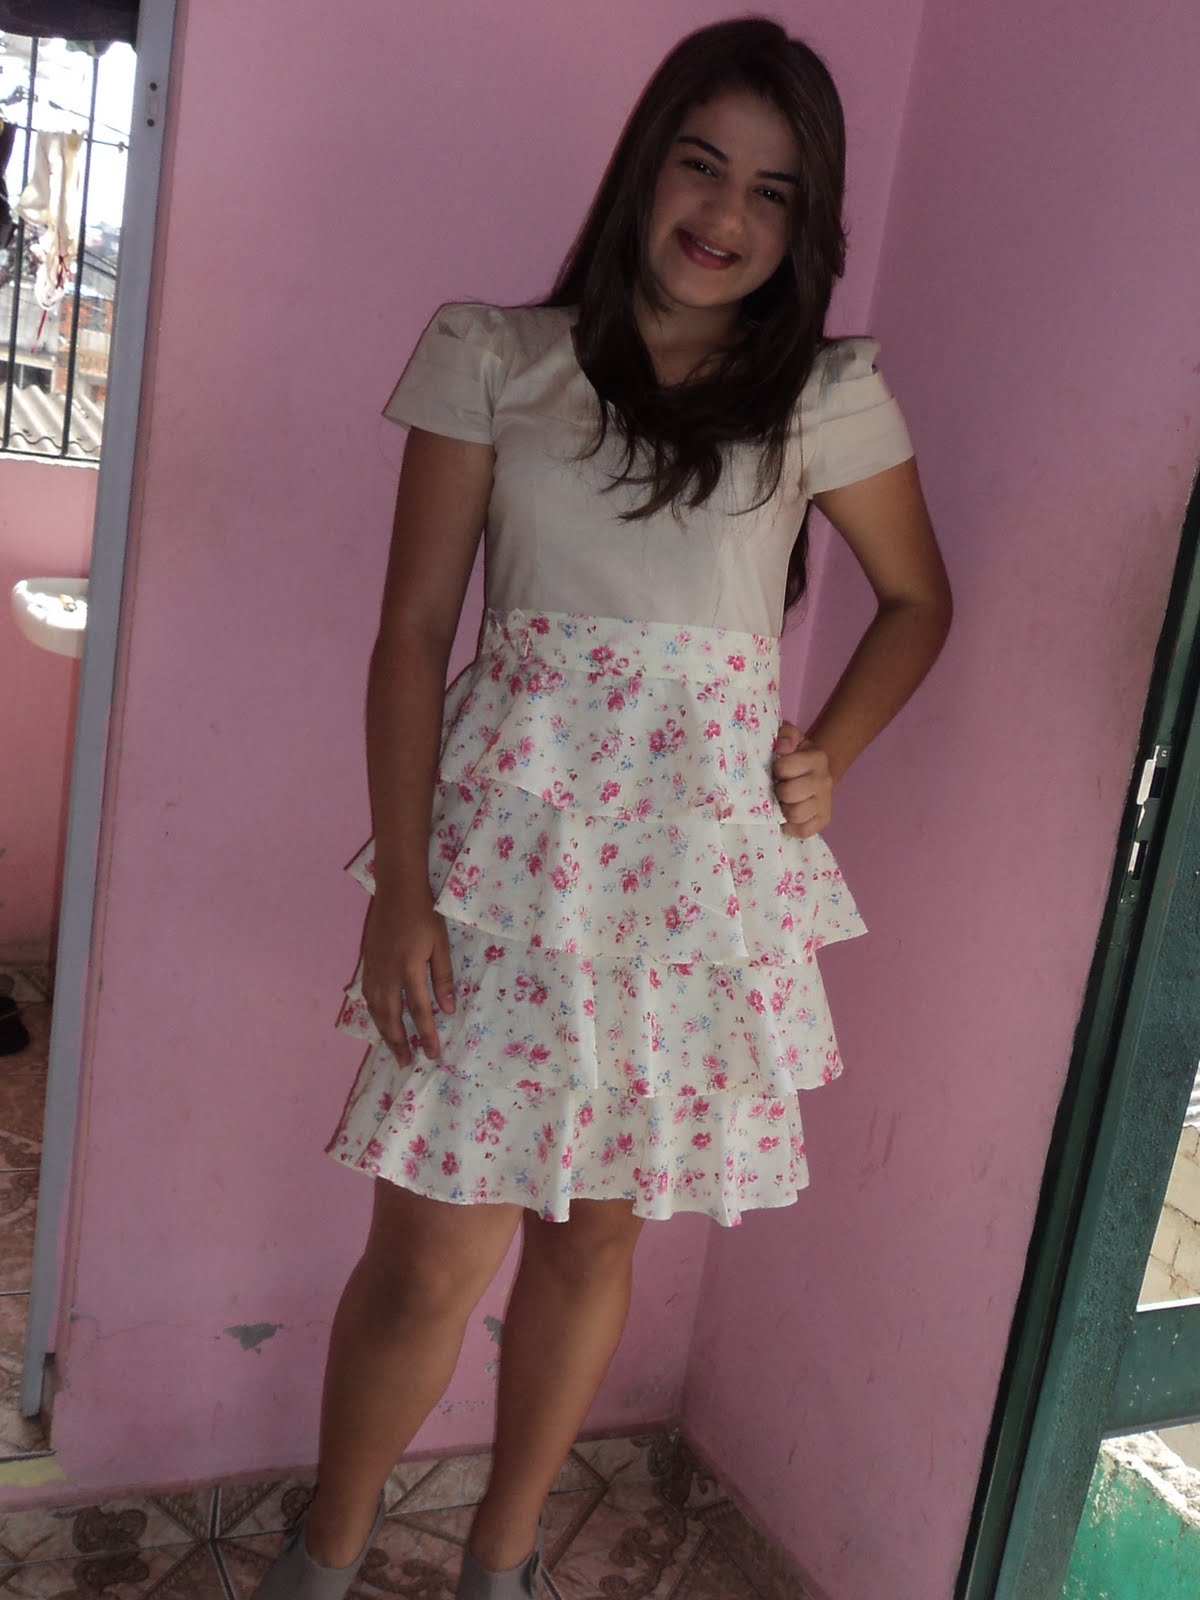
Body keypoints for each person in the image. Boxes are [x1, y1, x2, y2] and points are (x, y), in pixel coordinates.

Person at [254, 15, 951, 1600]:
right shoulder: (495, 356)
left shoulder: (821, 394)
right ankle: (325, 1557)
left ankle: (501, 1568)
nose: (726, 213)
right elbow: (413, 632)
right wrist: (404, 888)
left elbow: (919, 602)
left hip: (693, 883)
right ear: (647, 168)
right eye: (702, 165)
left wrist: (830, 750)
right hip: (511, 864)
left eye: (773, 191)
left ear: (807, 225)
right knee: (427, 1254)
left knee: (594, 1240)